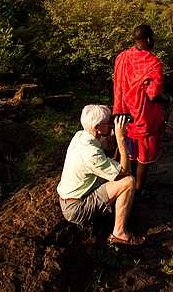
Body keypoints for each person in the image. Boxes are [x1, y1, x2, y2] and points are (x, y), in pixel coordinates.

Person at [56, 104, 145, 246]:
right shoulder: (91, 154)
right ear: (97, 127)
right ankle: (119, 233)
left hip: (72, 195)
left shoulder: (80, 136)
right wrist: (121, 139)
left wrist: (111, 133)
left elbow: (105, 146)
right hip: (76, 207)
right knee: (128, 182)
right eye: (108, 122)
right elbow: (124, 172)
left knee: (112, 171)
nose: (111, 124)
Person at [113, 24, 166, 194]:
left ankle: (120, 184)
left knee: (125, 151)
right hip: (143, 119)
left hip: (123, 116)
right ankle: (138, 189)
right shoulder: (153, 63)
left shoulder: (121, 57)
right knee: (143, 158)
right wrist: (170, 98)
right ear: (149, 39)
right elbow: (154, 94)